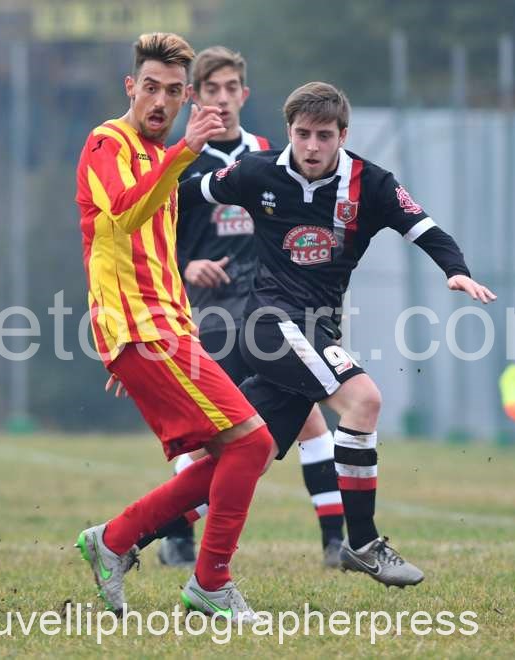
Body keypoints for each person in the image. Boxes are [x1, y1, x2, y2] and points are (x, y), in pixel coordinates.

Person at [178, 81, 496, 587]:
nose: (311, 146)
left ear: (342, 135)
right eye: (302, 134)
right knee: (363, 400)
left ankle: (120, 536)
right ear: (288, 131)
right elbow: (178, 196)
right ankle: (363, 543)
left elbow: (426, 229)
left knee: (245, 456)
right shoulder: (257, 172)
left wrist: (455, 270)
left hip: (317, 329)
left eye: (324, 136)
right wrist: (167, 256)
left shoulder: (371, 183)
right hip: (270, 325)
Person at [73, 32, 276, 620]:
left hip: (162, 330)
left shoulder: (161, 155)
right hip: (141, 330)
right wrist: (123, 340)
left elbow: (155, 261)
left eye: (172, 92)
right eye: (150, 88)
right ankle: (209, 582)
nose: (159, 101)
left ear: (186, 96)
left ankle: (115, 539)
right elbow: (125, 213)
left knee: (242, 451)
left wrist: (153, 346)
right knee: (254, 444)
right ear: (130, 87)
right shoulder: (106, 142)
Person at [137, 46, 345, 569]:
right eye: (212, 90)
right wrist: (187, 266)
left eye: (231, 89)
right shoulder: (183, 160)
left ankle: (335, 543)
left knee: (311, 424)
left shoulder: (271, 155)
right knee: (210, 439)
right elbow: (151, 228)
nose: (223, 99)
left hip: (271, 314)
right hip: (212, 316)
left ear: (244, 95)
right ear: (194, 97)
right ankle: (176, 537)